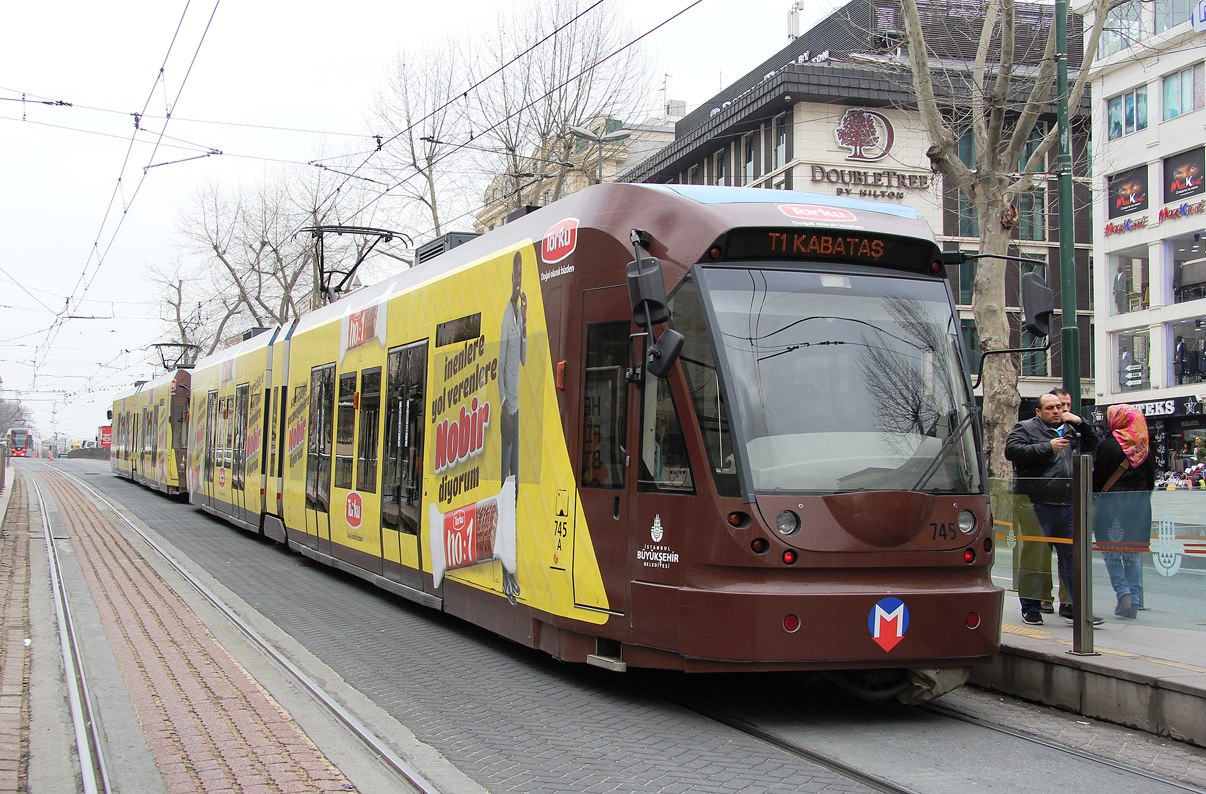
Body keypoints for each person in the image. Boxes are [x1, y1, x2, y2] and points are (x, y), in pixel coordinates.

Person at [1007, 392, 1101, 626]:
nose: (1056, 411)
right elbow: (1013, 452)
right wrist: (1047, 447)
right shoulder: (1026, 428)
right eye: (1050, 408)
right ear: (1038, 412)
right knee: (1035, 559)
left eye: (1059, 407)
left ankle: (1076, 607)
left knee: (1073, 559)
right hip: (1037, 505)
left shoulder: (1070, 429)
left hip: (1068, 505)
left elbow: (1093, 445)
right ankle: (1031, 607)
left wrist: (1081, 423)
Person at [1092, 404, 1155, 619]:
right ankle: (1135, 598)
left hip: (1112, 506)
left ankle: (1123, 592)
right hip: (1138, 507)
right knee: (1132, 553)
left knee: (1111, 552)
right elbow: (1151, 480)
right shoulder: (1143, 445)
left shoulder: (1108, 444)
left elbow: (1097, 479)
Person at [498, 250, 527, 604]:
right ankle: (506, 571)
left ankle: (508, 567)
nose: (519, 281)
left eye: (522, 276)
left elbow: (522, 359)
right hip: (508, 411)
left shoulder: (518, 315)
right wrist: (505, 406)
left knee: (514, 490)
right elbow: (501, 364)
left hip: (517, 410)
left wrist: (528, 318)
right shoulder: (506, 315)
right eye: (516, 275)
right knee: (507, 488)